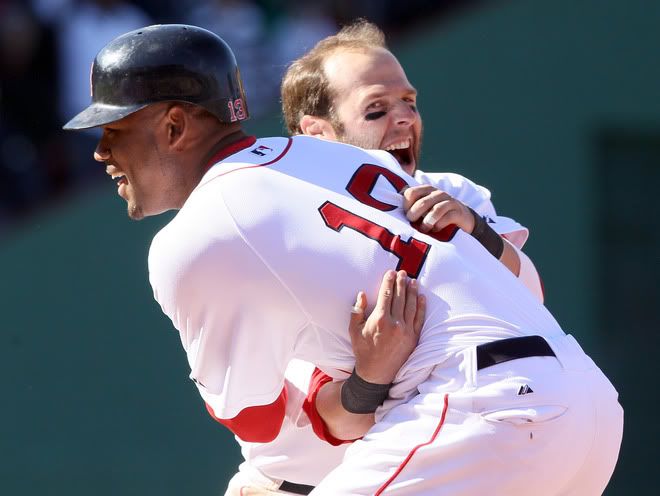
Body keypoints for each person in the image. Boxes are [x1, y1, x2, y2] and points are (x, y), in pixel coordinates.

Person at [63, 24, 623, 495]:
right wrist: (366, 384)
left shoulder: (198, 236)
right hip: (586, 408)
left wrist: (363, 386)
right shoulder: (335, 162)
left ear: (175, 126)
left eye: (114, 129)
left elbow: (256, 421)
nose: (100, 150)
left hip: (480, 413)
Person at [227, 20, 545, 495]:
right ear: (318, 132)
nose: (404, 118)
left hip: (424, 470)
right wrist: (369, 377)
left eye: (409, 102)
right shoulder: (275, 219)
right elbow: (304, 412)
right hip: (293, 484)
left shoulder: (451, 193)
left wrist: (476, 231)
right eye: (376, 109)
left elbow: (530, 300)